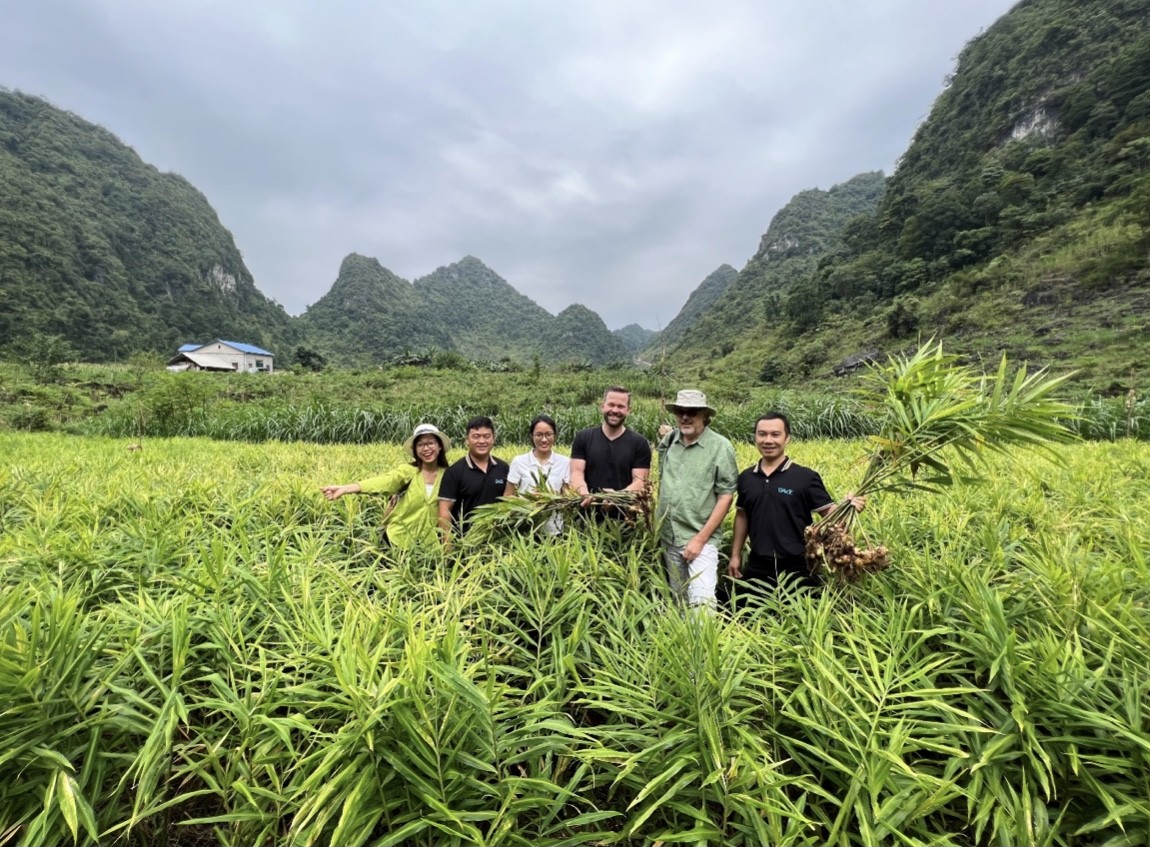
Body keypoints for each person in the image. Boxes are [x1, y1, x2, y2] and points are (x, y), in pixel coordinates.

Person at [727, 411, 864, 603]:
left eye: (775, 434)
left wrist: (848, 506)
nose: (768, 440)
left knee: (800, 622)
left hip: (798, 565)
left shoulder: (805, 477)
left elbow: (830, 513)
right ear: (755, 437)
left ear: (787, 438)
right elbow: (742, 516)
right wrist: (735, 556)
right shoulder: (746, 478)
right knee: (753, 621)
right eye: (762, 434)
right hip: (757, 562)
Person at [655, 390, 738, 607]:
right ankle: (682, 640)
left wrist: (699, 540)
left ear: (704, 415)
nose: (685, 416)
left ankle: (704, 641)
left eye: (691, 412)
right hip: (670, 536)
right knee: (678, 597)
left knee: (702, 603)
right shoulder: (669, 441)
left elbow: (726, 497)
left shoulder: (721, 447)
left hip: (701, 539)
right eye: (680, 411)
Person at [321, 423, 451, 551]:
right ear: (415, 450)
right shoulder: (408, 471)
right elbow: (384, 481)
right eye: (420, 444)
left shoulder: (449, 476)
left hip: (429, 546)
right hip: (398, 541)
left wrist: (447, 546)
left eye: (430, 443)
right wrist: (346, 488)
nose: (426, 448)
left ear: (439, 446)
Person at [569, 386, 652, 515]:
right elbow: (576, 473)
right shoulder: (583, 438)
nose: (615, 410)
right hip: (586, 515)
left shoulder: (640, 443)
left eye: (621, 406)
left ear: (629, 410)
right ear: (602, 406)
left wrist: (618, 497)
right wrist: (584, 494)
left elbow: (640, 481)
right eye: (611, 405)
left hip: (624, 519)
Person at [438, 415, 509, 542]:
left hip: (497, 541)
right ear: (467, 440)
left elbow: (509, 502)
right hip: (464, 543)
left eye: (486, 436)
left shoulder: (503, 468)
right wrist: (447, 546)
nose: (482, 441)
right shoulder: (454, 472)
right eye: (476, 436)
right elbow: (444, 511)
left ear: (493, 439)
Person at [504, 414, 571, 535]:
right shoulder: (519, 462)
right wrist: (528, 501)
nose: (544, 439)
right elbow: (508, 496)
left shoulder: (565, 462)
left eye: (548, 434)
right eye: (539, 435)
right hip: (525, 528)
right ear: (531, 436)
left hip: (554, 530)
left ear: (555, 436)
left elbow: (567, 496)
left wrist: (551, 498)